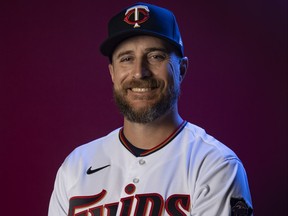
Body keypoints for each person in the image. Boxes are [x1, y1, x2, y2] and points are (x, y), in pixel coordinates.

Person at [48, 2, 253, 215]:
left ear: (182, 69)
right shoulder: (76, 166)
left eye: (155, 56)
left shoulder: (214, 164)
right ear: (112, 73)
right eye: (126, 59)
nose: (139, 72)